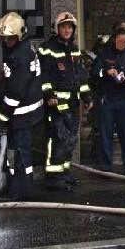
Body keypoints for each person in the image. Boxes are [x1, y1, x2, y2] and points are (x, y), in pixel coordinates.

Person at [0, 12, 44, 201]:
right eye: (5, 38)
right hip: (20, 115)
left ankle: (23, 191)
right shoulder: (21, 50)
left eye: (11, 38)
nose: (7, 42)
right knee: (13, 152)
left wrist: (2, 118)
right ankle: (13, 185)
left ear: (19, 35)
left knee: (21, 154)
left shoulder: (20, 56)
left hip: (22, 115)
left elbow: (15, 93)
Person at [38, 11, 91, 191]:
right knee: (57, 139)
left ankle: (64, 172)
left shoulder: (75, 49)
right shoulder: (47, 48)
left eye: (70, 27)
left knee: (70, 140)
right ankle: (53, 176)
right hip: (56, 105)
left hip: (73, 104)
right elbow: (43, 76)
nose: (67, 30)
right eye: (64, 26)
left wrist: (86, 96)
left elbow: (81, 76)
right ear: (57, 28)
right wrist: (49, 95)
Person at [91, 27, 125, 174]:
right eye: (119, 41)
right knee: (105, 134)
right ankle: (105, 166)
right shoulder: (104, 54)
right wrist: (106, 72)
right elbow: (94, 73)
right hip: (107, 99)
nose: (122, 44)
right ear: (114, 40)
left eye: (124, 41)